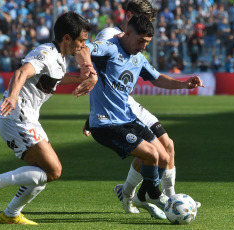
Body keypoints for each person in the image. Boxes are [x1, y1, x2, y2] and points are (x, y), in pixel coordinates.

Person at [0, 12, 97, 225]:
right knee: (54, 170)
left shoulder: (59, 59)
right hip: (16, 115)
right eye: (81, 40)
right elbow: (21, 72)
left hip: (26, 118)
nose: (83, 46)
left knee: (43, 173)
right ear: (66, 38)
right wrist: (13, 96)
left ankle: (11, 214)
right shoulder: (46, 53)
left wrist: (79, 79)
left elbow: (54, 79)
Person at [77, 0, 192, 219]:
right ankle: (158, 197)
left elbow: (157, 79)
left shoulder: (139, 57)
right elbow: (83, 49)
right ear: (128, 30)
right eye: (141, 40)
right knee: (150, 154)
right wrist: (89, 70)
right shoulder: (110, 42)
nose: (144, 46)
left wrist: (184, 84)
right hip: (106, 122)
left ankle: (137, 194)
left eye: (147, 41)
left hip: (127, 116)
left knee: (164, 155)